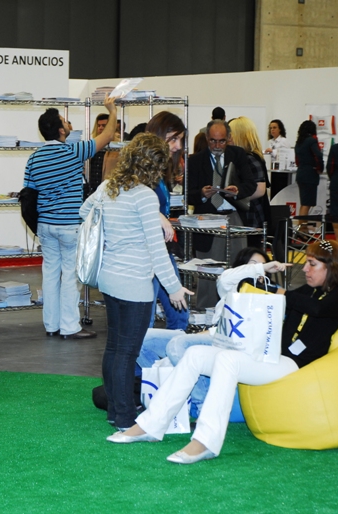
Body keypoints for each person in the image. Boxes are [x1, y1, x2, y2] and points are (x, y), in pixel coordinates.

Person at [110, 240, 338, 464]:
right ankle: (150, 425)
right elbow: (262, 291)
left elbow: (317, 309)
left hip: (293, 365)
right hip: (270, 357)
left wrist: (280, 293)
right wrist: (258, 276)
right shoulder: (309, 290)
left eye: (312, 264)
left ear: (331, 267)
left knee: (227, 361)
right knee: (194, 354)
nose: (306, 270)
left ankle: (206, 441)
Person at [80, 133, 194, 431]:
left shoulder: (108, 188)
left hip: (109, 278)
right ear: (155, 165)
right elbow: (157, 251)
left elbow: (84, 212)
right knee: (127, 352)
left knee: (115, 348)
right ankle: (126, 417)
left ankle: (116, 411)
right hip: (134, 284)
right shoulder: (145, 196)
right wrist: (174, 289)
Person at [137, 247, 283, 417]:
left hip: (231, 349)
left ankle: (202, 409)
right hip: (210, 338)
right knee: (140, 338)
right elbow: (226, 276)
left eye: (265, 266)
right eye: (253, 265)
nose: (260, 269)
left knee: (179, 345)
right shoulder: (230, 287)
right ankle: (171, 393)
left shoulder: (270, 298)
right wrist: (260, 268)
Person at [24, 96, 118, 339]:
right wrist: (112, 110)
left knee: (50, 275)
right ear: (60, 130)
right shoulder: (74, 151)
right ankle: (70, 327)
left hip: (45, 225)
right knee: (70, 277)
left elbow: (29, 193)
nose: (69, 123)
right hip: (69, 225)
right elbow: (107, 137)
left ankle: (51, 326)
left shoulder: (34, 158)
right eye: (66, 121)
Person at [187, 119, 257, 308]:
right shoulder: (195, 160)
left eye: (222, 141)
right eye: (213, 141)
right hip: (207, 220)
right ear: (206, 138)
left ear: (229, 138)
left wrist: (237, 190)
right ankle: (206, 313)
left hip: (233, 217)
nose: (217, 146)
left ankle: (237, 310)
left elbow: (251, 184)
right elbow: (188, 194)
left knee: (238, 268)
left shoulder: (239, 155)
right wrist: (202, 194)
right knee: (208, 271)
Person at [144, 111, 189, 330]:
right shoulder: (142, 171)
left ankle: (175, 362)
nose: (177, 145)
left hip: (162, 252)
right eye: (173, 138)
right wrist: (157, 213)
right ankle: (141, 365)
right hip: (148, 254)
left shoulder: (160, 170)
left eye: (180, 139)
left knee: (179, 315)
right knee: (147, 320)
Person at [228, 116, 272, 248]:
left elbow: (260, 189)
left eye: (230, 135)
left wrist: (234, 195)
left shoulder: (249, 159)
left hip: (250, 218)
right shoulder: (247, 158)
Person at [293, 120, 324, 233]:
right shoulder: (311, 140)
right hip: (310, 174)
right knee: (306, 204)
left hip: (301, 172)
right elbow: (318, 156)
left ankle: (302, 228)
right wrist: (320, 168)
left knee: (304, 203)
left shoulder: (299, 142)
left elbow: (297, 160)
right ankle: (302, 230)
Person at [326, 138, 338, 244]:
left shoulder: (335, 148)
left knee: (335, 211)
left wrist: (333, 177)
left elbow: (329, 167)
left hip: (336, 181)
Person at [264, 119, 291, 198]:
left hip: (282, 171)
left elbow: (286, 154)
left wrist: (272, 151)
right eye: (271, 128)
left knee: (280, 193)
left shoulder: (284, 141)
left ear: (280, 129)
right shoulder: (270, 141)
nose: (272, 130)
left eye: (274, 127)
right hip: (272, 170)